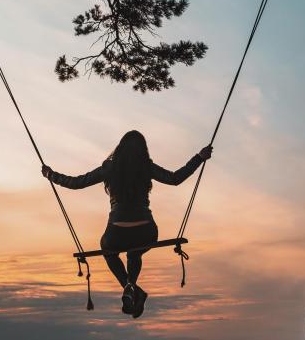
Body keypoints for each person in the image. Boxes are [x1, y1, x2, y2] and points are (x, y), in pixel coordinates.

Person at [42, 130, 212, 318]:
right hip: (146, 231)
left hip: (116, 233)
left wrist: (51, 175)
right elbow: (175, 178)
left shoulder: (109, 168)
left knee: (109, 250)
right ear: (143, 150)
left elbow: (76, 183)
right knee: (135, 251)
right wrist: (199, 158)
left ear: (120, 149)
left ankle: (130, 287)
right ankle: (130, 287)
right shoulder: (146, 167)